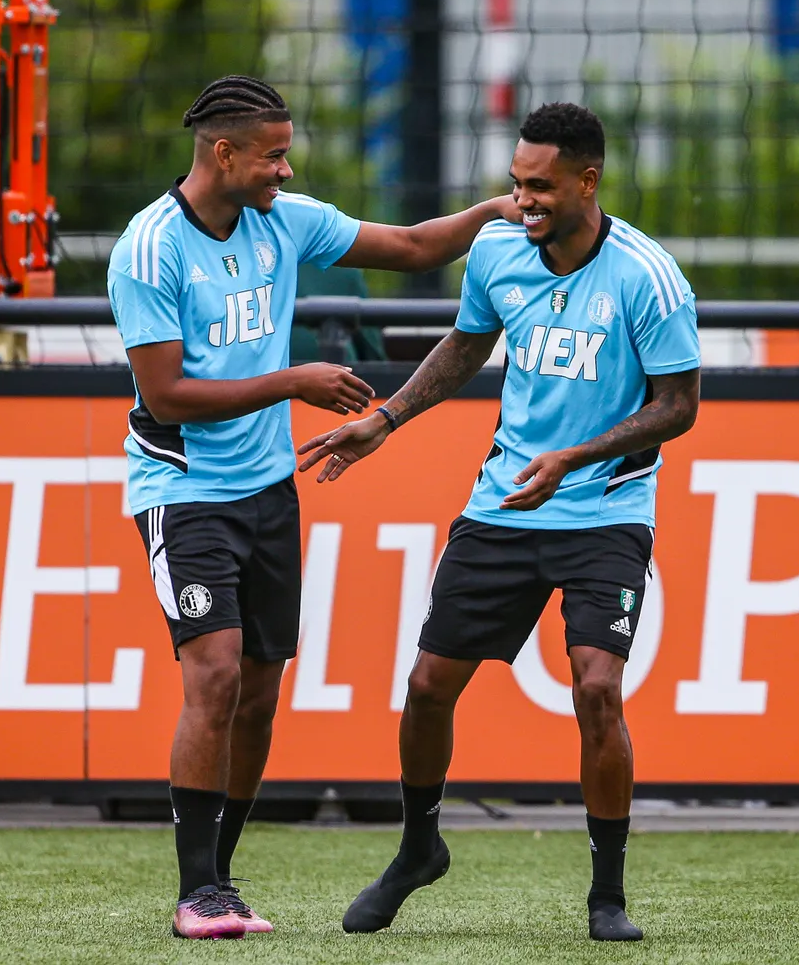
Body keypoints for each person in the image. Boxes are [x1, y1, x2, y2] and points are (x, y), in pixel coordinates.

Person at [106, 74, 519, 940]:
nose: (286, 172)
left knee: (259, 693)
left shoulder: (281, 223)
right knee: (212, 674)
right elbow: (168, 394)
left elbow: (409, 245)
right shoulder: (149, 249)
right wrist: (294, 380)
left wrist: (491, 212)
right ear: (224, 153)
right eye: (273, 155)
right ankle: (196, 892)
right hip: (183, 490)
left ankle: (220, 876)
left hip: (265, 492)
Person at [296, 101, 701, 942]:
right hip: (505, 508)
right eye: (516, 185)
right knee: (425, 688)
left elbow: (679, 407)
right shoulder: (496, 250)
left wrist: (574, 458)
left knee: (597, 687)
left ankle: (607, 895)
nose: (524, 202)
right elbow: (466, 343)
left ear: (588, 182)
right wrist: (388, 417)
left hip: (605, 511)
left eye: (542, 186)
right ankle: (417, 849)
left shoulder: (648, 276)